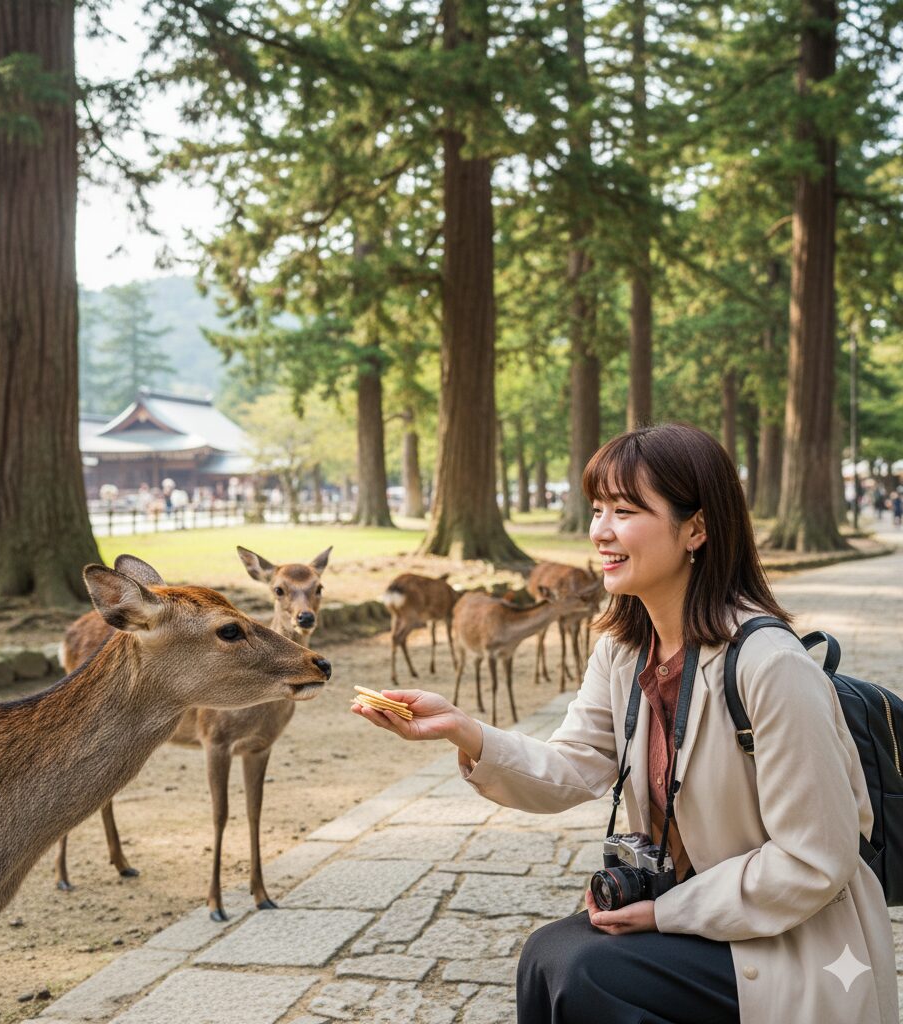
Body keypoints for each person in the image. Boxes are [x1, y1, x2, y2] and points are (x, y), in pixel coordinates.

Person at [353, 423, 895, 1024]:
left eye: (625, 511)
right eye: (597, 509)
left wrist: (665, 913)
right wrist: (462, 729)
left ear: (696, 529)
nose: (600, 531)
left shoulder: (771, 665)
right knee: (547, 955)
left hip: (787, 936)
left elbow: (815, 860)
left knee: (587, 971)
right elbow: (572, 766)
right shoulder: (624, 650)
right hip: (689, 909)